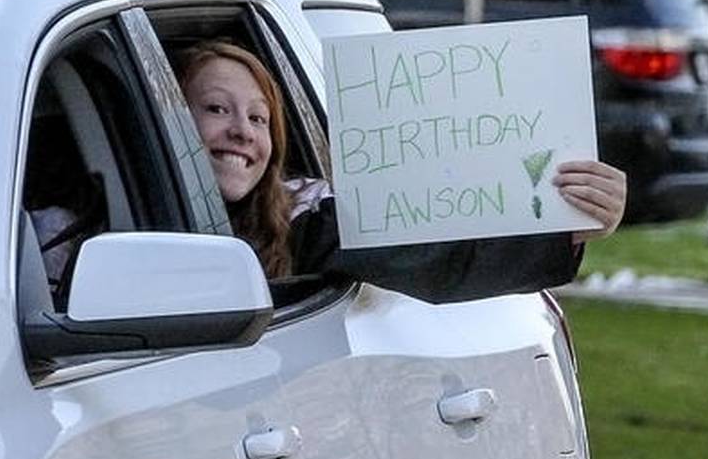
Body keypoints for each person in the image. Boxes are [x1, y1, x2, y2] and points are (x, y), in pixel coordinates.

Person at [176, 40, 627, 303]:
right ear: (169, 119)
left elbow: (438, 256)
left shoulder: (307, 218)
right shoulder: (114, 215)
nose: (241, 131)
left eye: (259, 119)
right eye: (216, 108)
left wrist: (563, 224)